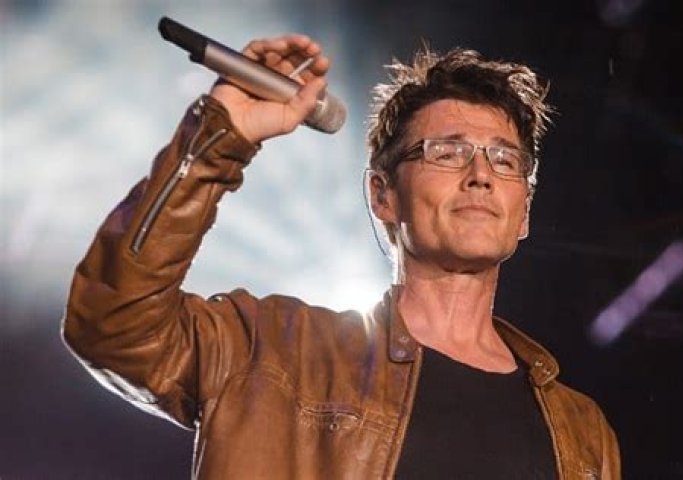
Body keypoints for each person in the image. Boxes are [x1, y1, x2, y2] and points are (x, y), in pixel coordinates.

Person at [63, 34, 620, 479]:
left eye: (504, 160)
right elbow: (113, 325)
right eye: (447, 152)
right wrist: (219, 138)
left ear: (524, 212)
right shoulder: (270, 351)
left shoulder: (582, 430)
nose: (480, 175)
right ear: (383, 194)